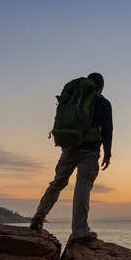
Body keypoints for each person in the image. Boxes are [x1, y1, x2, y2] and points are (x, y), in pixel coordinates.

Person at [29, 72, 113, 242]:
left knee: (57, 183)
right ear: (101, 86)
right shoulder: (103, 102)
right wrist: (107, 153)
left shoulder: (75, 97)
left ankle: (39, 215)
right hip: (89, 151)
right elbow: (107, 129)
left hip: (69, 148)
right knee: (83, 186)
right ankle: (80, 231)